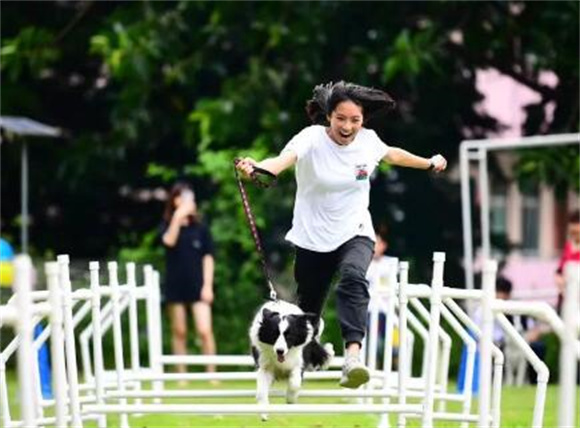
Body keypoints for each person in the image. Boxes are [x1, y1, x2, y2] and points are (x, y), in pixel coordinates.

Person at [235, 81, 447, 389]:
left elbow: (394, 155)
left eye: (355, 120)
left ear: (363, 120)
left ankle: (352, 359)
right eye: (341, 119)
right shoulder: (310, 139)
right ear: (328, 116)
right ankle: (299, 361)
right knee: (308, 311)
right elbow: (279, 163)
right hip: (311, 239)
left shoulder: (369, 142)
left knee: (353, 278)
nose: (348, 126)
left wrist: (429, 162)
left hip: (355, 231)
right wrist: (257, 169)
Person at [160, 182, 217, 380]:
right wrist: (177, 217)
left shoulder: (201, 229)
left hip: (198, 286)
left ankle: (212, 374)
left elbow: (208, 258)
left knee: (204, 330)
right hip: (175, 285)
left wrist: (208, 286)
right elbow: (169, 241)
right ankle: (181, 375)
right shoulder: (168, 224)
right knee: (179, 331)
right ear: (175, 200)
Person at [555, 209, 580, 313]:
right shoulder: (568, 247)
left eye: (576, 232)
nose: (574, 235)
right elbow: (559, 271)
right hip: (567, 295)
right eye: (572, 233)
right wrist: (561, 283)